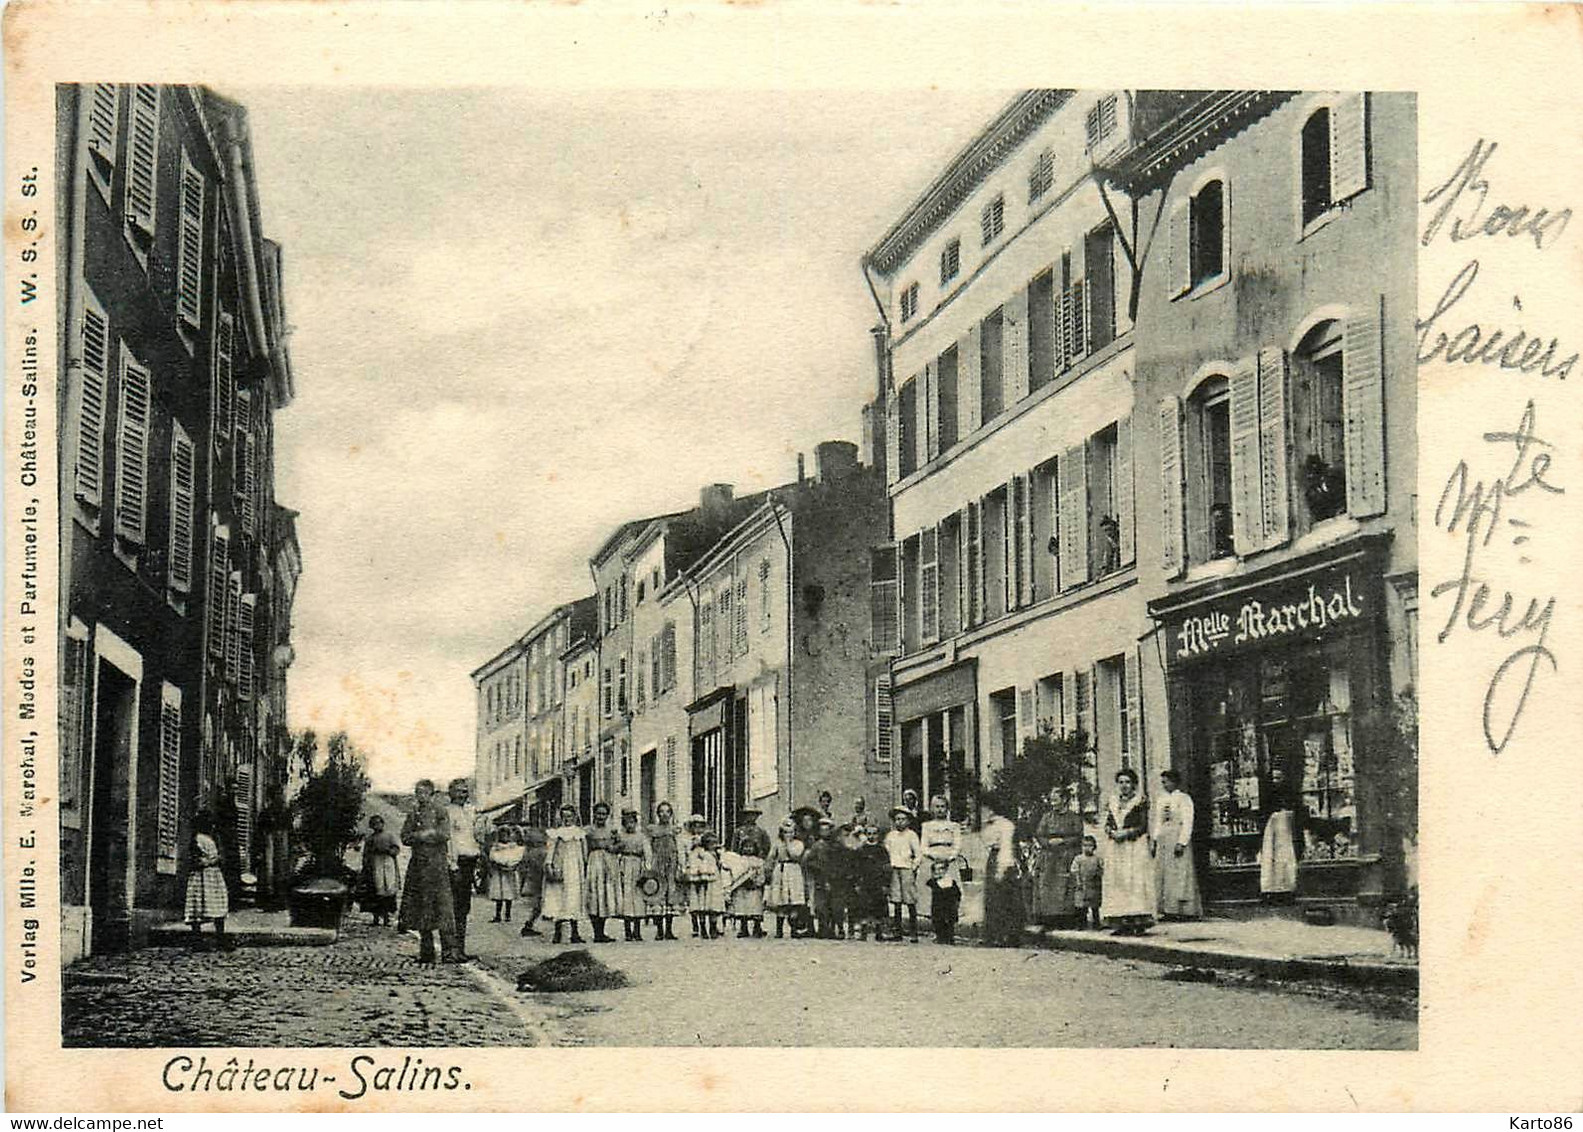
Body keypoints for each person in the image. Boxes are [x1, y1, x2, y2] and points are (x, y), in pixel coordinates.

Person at [398, 779, 458, 965]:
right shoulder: (413, 814)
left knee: (443, 909)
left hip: (437, 867)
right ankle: (427, 952)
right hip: (418, 867)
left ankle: (449, 953)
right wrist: (423, 835)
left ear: (431, 794)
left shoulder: (440, 811)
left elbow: (443, 834)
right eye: (418, 792)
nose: (420, 796)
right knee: (421, 908)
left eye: (423, 792)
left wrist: (424, 836)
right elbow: (405, 837)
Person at [1102, 768, 1154, 936]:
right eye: (1121, 782)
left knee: (1134, 881)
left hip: (1134, 846)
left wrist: (1127, 833)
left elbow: (1143, 826)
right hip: (1117, 847)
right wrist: (1111, 832)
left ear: (1134, 784)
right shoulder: (1113, 802)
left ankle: (1137, 921)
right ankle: (1120, 921)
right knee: (1119, 882)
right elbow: (1108, 823)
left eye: (1128, 782)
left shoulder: (1140, 802)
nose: (1124, 786)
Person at [1152, 769, 1203, 920]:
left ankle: (1185, 910)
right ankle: (1168, 910)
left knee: (1180, 873)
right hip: (1164, 840)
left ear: (1174, 782)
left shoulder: (1184, 799)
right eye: (1162, 782)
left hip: (1177, 837)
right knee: (1165, 874)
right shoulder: (1161, 799)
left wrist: (1182, 841)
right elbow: (1158, 821)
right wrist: (1155, 839)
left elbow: (1188, 821)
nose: (1164, 785)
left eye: (1166, 781)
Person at [445, 779, 482, 960]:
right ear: (451, 793)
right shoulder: (448, 813)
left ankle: (460, 948)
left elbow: (474, 837)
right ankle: (451, 950)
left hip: (470, 861)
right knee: (453, 907)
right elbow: (449, 841)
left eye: (465, 791)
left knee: (464, 907)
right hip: (456, 862)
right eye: (459, 791)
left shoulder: (470, 811)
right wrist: (452, 865)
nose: (463, 795)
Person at [541, 805, 588, 944]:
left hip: (575, 869)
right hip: (561, 867)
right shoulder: (556, 834)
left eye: (570, 816)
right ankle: (558, 932)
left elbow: (584, 852)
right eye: (564, 816)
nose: (567, 819)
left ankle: (575, 933)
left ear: (575, 817)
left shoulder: (580, 833)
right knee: (559, 898)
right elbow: (550, 851)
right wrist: (549, 865)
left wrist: (584, 866)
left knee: (574, 898)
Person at [979, 800, 1023, 947]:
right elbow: (986, 843)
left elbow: (1006, 848)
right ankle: (993, 935)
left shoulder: (1005, 825)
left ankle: (1007, 936)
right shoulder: (989, 825)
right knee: (992, 899)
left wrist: (1001, 869)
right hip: (993, 859)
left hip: (1004, 861)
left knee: (1004, 899)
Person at [1031, 806, 1084, 926]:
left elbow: (1078, 835)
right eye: (1052, 800)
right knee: (1047, 884)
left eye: (1056, 800)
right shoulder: (1047, 817)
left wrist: (1064, 841)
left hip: (1067, 854)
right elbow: (1039, 834)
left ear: (1064, 800)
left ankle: (1066, 918)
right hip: (1049, 855)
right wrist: (1048, 842)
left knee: (1066, 885)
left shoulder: (1074, 817)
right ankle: (1048, 917)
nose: (1053, 803)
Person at [184, 813, 231, 948]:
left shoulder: (212, 839)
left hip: (213, 876)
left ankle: (220, 938)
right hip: (202, 876)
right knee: (198, 905)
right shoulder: (197, 839)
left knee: (217, 905)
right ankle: (196, 939)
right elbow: (195, 860)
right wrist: (210, 861)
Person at [918, 795, 962, 933]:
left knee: (949, 893)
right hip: (932, 860)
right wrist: (933, 855)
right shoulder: (927, 826)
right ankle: (937, 927)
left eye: (943, 806)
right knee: (934, 894)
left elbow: (958, 844)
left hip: (949, 860)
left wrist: (951, 856)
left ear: (947, 809)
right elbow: (923, 845)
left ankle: (949, 927)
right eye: (937, 806)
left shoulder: (953, 826)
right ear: (932, 808)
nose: (940, 810)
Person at [643, 801, 686, 941]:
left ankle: (669, 929)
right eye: (661, 812)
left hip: (671, 865)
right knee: (658, 894)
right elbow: (648, 847)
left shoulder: (675, 830)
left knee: (670, 895)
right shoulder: (653, 830)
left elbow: (679, 847)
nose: (664, 815)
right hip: (658, 864)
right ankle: (659, 930)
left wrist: (681, 864)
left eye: (667, 812)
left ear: (671, 814)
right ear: (657, 814)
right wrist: (649, 863)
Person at [1259, 766, 1301, 902]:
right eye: (1273, 778)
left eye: (1279, 778)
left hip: (1286, 830)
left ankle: (1286, 886)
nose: (1276, 781)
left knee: (1285, 857)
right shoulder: (1268, 796)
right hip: (1273, 831)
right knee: (1271, 857)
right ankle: (1272, 888)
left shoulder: (1289, 794)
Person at [729, 807, 771, 939]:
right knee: (742, 900)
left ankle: (757, 926)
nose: (750, 818)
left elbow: (766, 847)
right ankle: (743, 926)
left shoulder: (761, 832)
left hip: (756, 867)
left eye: (753, 815)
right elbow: (734, 849)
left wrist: (760, 860)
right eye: (748, 815)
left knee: (756, 900)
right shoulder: (738, 832)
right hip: (742, 869)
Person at [584, 801, 622, 943]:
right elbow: (584, 847)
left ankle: (602, 931)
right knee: (595, 895)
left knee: (606, 896)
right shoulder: (588, 830)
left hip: (609, 862)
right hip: (594, 862)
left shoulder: (612, 830)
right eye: (598, 813)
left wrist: (614, 847)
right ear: (594, 814)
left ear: (608, 815)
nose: (601, 816)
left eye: (604, 814)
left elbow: (620, 844)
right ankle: (596, 932)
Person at [765, 816, 808, 939]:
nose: (788, 834)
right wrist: (769, 869)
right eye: (785, 832)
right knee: (781, 900)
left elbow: (795, 855)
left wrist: (788, 843)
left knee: (794, 900)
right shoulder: (777, 843)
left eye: (791, 832)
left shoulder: (798, 844)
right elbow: (771, 857)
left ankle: (794, 929)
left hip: (793, 870)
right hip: (781, 870)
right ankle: (779, 930)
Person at [883, 805, 921, 943]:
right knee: (896, 901)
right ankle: (897, 932)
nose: (900, 822)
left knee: (910, 901)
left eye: (903, 819)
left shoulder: (912, 835)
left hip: (906, 869)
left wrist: (914, 867)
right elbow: (886, 852)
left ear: (908, 821)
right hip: (894, 869)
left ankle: (913, 932)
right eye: (897, 819)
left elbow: (918, 854)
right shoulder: (891, 836)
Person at [359, 813, 402, 926]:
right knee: (375, 891)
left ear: (383, 824)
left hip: (388, 864)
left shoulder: (389, 836)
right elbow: (366, 854)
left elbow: (396, 849)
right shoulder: (370, 839)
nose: (377, 826)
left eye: (379, 823)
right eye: (374, 824)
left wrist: (388, 850)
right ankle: (376, 918)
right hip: (375, 865)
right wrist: (366, 866)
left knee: (388, 890)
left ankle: (387, 918)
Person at [851, 823, 892, 941]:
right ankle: (863, 931)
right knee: (863, 906)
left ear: (878, 835)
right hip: (865, 882)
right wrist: (857, 883)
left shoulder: (882, 850)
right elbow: (857, 867)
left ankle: (879, 931)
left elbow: (887, 868)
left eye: (874, 834)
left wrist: (886, 884)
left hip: (878, 882)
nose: (871, 836)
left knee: (879, 906)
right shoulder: (861, 850)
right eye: (869, 833)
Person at [615, 809, 650, 941]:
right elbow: (616, 851)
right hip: (625, 865)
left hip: (637, 865)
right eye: (627, 823)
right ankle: (627, 931)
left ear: (636, 823)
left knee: (638, 897)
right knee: (626, 897)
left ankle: (637, 930)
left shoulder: (641, 837)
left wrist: (646, 868)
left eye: (632, 822)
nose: (630, 825)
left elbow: (647, 853)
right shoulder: (620, 836)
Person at [802, 817, 840, 938]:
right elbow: (809, 861)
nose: (825, 833)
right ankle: (822, 928)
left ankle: (832, 928)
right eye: (822, 830)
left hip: (833, 877)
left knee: (833, 904)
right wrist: (817, 867)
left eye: (827, 830)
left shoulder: (835, 845)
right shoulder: (816, 846)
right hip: (820, 877)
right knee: (821, 905)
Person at [685, 824, 725, 939]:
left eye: (714, 843)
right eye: (709, 843)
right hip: (704, 881)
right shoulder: (702, 854)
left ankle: (713, 927)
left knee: (713, 905)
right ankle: (702, 928)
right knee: (702, 905)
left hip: (714, 882)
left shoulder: (717, 855)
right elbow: (700, 866)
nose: (712, 846)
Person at [485, 825, 524, 923]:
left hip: (509, 873)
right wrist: (498, 863)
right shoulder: (496, 847)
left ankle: (508, 914)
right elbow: (493, 858)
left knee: (509, 894)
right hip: (499, 873)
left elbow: (517, 858)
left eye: (506, 834)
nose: (504, 837)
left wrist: (512, 865)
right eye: (502, 835)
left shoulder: (513, 847)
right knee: (499, 894)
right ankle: (498, 915)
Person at [517, 826, 547, 937]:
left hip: (534, 879)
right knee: (538, 903)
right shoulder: (538, 852)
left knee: (537, 903)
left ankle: (529, 924)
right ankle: (529, 924)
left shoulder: (529, 852)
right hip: (538, 880)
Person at [1071, 835, 1104, 929]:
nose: (1087, 848)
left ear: (1094, 847)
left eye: (1090, 846)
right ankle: (1081, 924)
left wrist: (1098, 875)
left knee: (1094, 905)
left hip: (1093, 885)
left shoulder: (1097, 859)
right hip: (1082, 884)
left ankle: (1096, 923)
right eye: (1085, 845)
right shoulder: (1078, 859)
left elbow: (1101, 870)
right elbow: (1075, 870)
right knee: (1081, 906)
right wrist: (1078, 881)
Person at [925, 859, 962, 945]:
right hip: (938, 907)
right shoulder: (933, 882)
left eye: (941, 869)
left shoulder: (951, 882)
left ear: (946, 870)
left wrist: (956, 903)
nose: (938, 872)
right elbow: (927, 891)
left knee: (950, 922)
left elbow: (957, 894)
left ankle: (949, 937)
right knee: (938, 922)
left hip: (949, 906)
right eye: (935, 870)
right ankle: (940, 937)